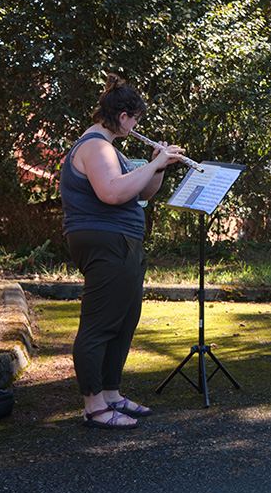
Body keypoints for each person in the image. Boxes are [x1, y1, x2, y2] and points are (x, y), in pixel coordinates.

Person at [60, 74, 184, 429]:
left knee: (124, 320)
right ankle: (95, 406)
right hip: (105, 241)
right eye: (136, 120)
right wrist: (152, 164)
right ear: (124, 117)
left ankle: (111, 393)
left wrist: (157, 165)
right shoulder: (96, 146)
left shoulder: (111, 149)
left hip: (121, 241)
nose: (136, 127)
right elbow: (112, 193)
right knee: (99, 324)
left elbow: (142, 193)